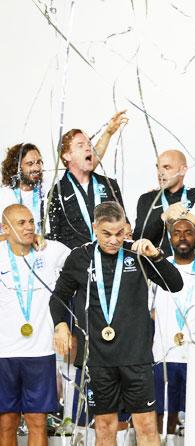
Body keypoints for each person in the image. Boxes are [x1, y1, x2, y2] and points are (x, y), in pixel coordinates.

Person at [50, 202, 183, 446]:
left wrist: (156, 256)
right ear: (94, 228)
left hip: (136, 356)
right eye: (106, 234)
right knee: (104, 426)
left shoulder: (138, 253)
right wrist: (60, 325)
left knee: (145, 425)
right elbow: (59, 296)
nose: (114, 240)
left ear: (126, 229)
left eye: (120, 233)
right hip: (97, 360)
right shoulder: (80, 257)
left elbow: (175, 284)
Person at [0, 204, 70, 446]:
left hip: (40, 352)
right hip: (3, 353)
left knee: (37, 421)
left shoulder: (50, 252)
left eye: (31, 222)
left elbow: (82, 260)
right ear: (5, 228)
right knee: (6, 422)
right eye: (21, 223)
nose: (29, 227)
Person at [150, 219, 195, 437]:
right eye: (177, 233)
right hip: (163, 352)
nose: (182, 237)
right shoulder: (158, 266)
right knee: (162, 414)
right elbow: (149, 308)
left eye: (188, 233)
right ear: (170, 238)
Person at [47, 111, 129, 249]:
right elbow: (53, 239)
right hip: (77, 263)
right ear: (67, 155)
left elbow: (125, 224)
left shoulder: (108, 185)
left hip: (111, 258)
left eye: (89, 144)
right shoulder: (56, 194)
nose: (88, 148)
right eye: (80, 145)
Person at [134, 149, 195, 255]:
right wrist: (163, 218)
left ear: (183, 170)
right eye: (158, 168)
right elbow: (137, 238)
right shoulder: (147, 199)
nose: (160, 173)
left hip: (191, 267)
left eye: (167, 167)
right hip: (156, 267)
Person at [0, 143, 46, 235]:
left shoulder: (47, 190)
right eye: (30, 164)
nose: (36, 168)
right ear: (16, 167)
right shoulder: (3, 197)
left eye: (39, 162)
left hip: (44, 245)